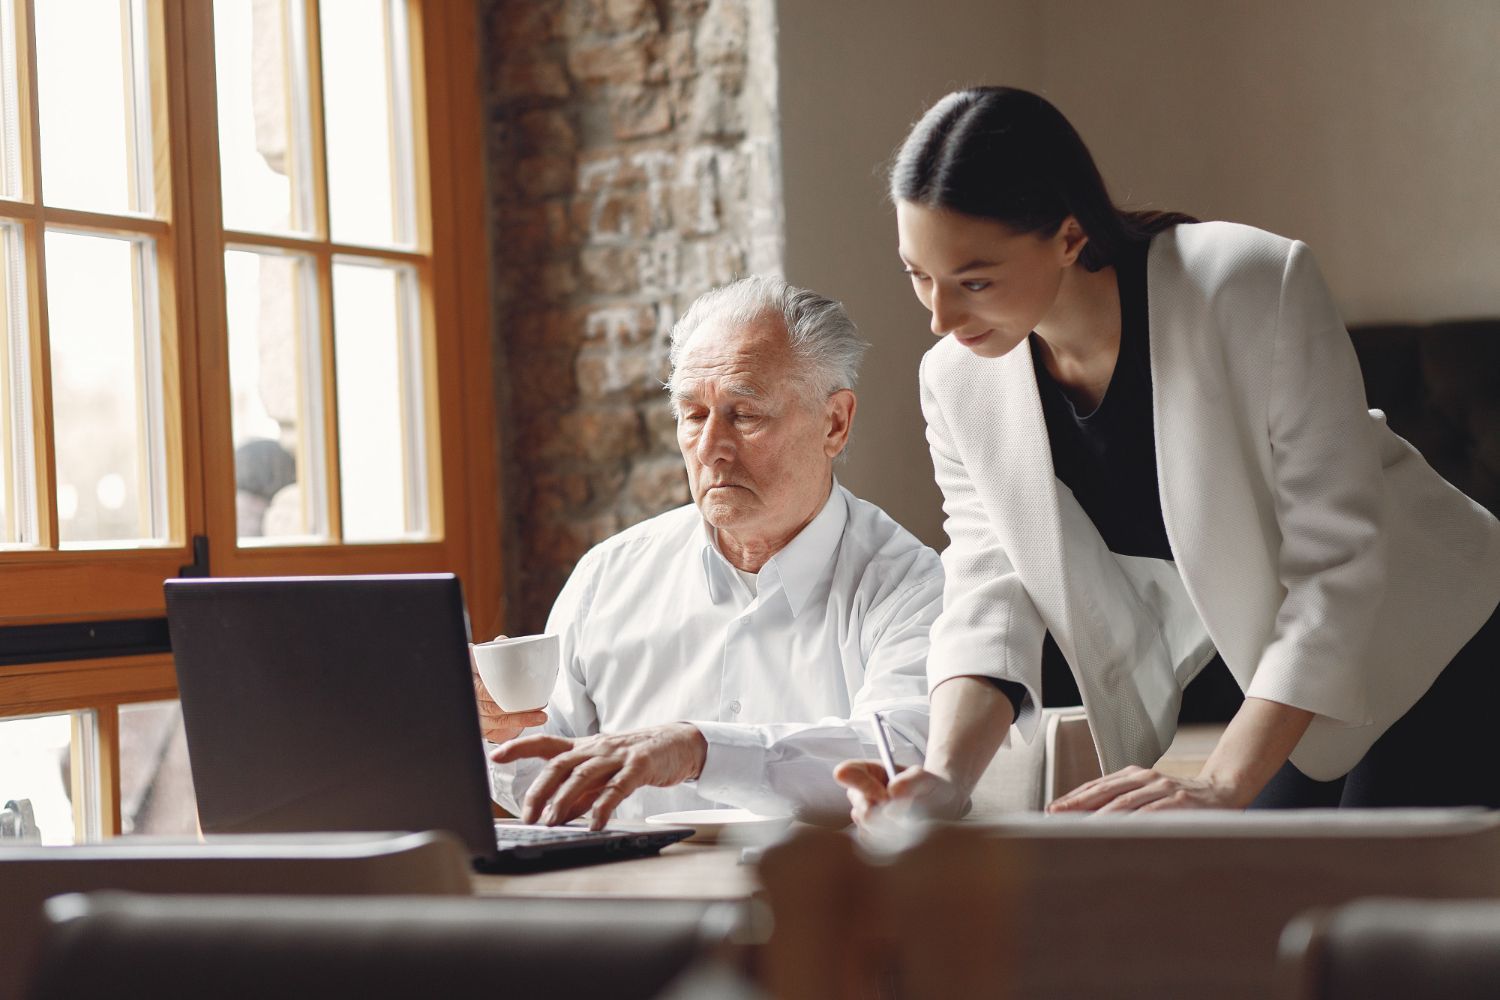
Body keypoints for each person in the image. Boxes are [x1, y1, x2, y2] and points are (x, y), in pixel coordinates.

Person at [836, 86, 1500, 822]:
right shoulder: (959, 381)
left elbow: (1336, 567)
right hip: (1300, 686)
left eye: (976, 280)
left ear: (1068, 235)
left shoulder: (1248, 285)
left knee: (1355, 908)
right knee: (1240, 893)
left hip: (1445, 640)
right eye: (918, 275)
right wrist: (945, 779)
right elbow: (991, 588)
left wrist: (1219, 780)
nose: (940, 317)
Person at [484, 275, 944, 829]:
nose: (711, 449)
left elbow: (898, 757)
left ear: (835, 423)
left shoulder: (910, 584)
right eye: (693, 415)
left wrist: (698, 750)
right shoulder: (607, 577)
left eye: (745, 415)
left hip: (821, 907)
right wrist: (490, 732)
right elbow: (550, 784)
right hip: (636, 904)